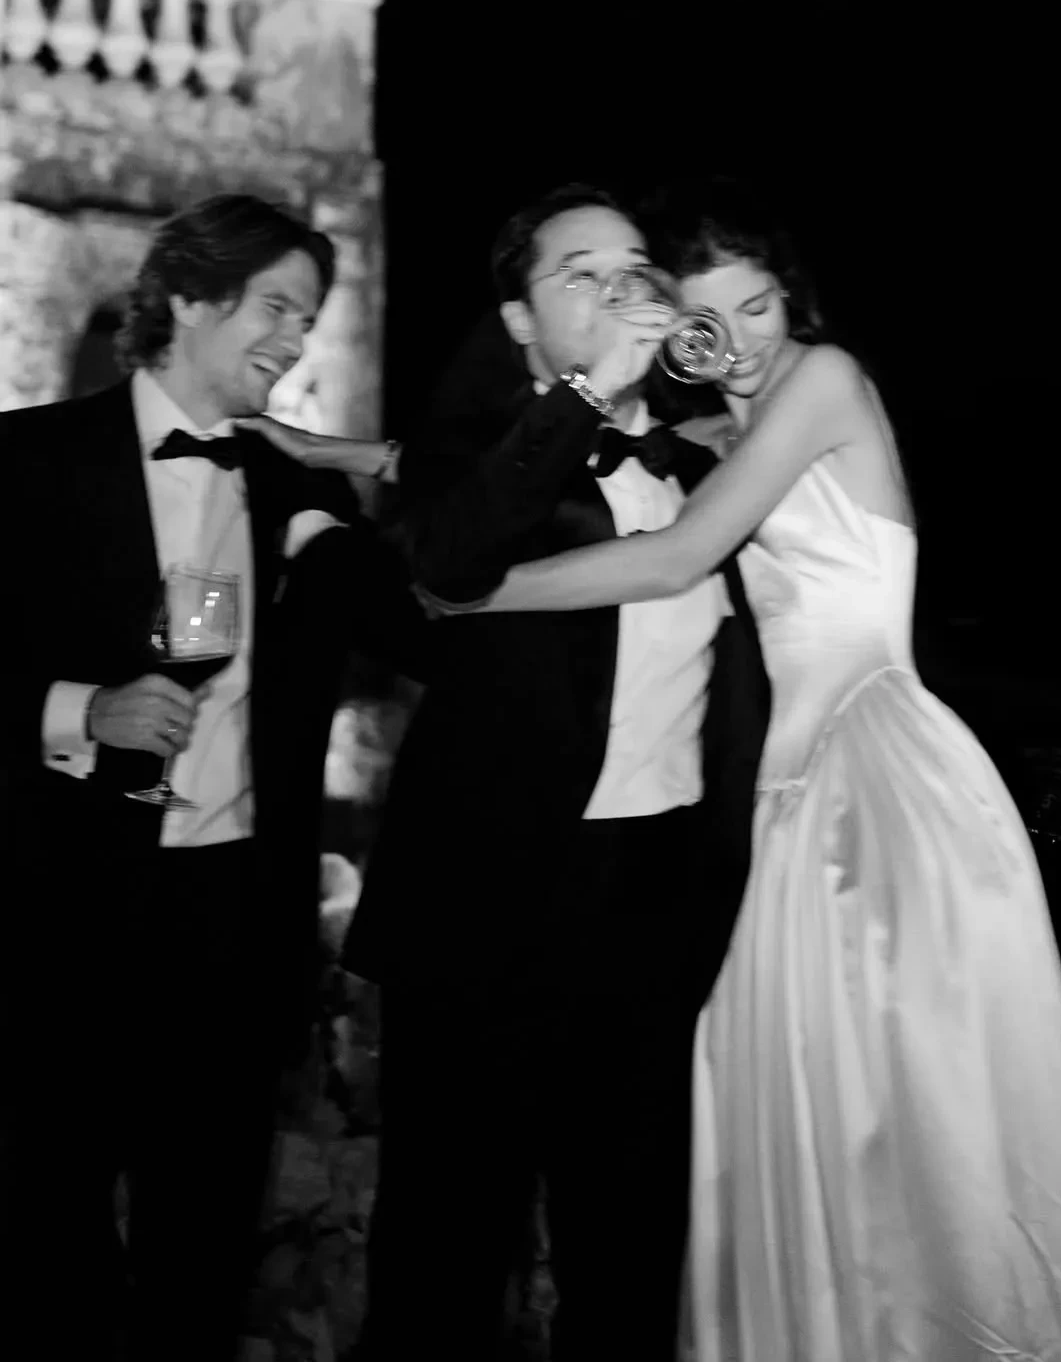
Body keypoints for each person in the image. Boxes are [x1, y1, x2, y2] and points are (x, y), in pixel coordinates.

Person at [425, 176, 1061, 1360]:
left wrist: (472, 595)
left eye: (760, 304)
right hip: (779, 791)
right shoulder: (728, 434)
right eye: (710, 318)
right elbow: (574, 462)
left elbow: (677, 557)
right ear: (677, 331)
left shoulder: (823, 382)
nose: (746, 337)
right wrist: (337, 451)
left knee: (895, 1087)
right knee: (800, 1087)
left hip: (871, 765)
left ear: (793, 299)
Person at [243, 182, 771, 1360]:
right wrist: (584, 394)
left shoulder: (705, 465)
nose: (620, 290)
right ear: (521, 322)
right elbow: (446, 554)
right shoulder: (471, 457)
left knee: (627, 1262)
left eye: (633, 268)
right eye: (581, 275)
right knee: (445, 1258)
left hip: (653, 913)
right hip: (486, 915)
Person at [0, 194, 426, 1362]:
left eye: (311, 318)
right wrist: (82, 709)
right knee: (50, 1252)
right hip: (65, 919)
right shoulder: (25, 460)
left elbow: (423, 625)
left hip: (236, 925)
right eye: (277, 307)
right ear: (188, 297)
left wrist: (358, 460)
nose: (297, 340)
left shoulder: (300, 487)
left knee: (202, 1265)